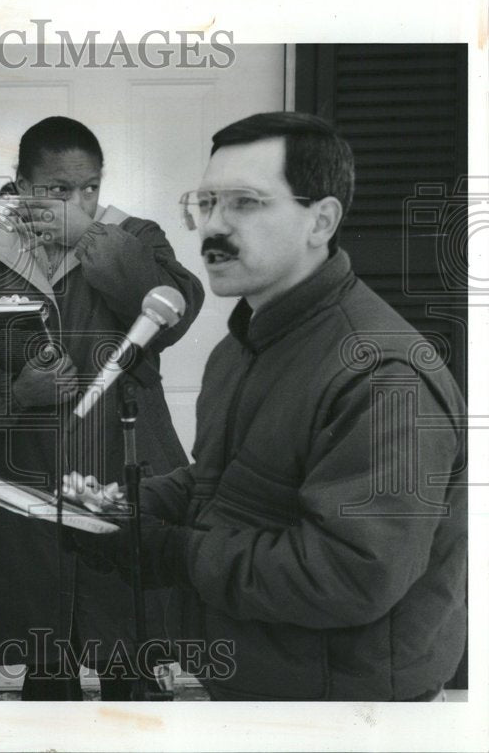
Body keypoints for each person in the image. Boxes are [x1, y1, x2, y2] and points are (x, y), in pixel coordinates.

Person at [64, 112, 467, 701]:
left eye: (244, 204)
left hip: (347, 711)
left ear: (320, 220)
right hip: (253, 684)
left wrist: (171, 552)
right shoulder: (239, 349)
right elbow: (224, 481)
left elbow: (351, 575)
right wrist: (123, 504)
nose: (213, 227)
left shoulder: (381, 374)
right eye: (205, 203)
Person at [0, 116, 204, 700]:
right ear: (21, 185)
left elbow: (175, 310)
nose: (79, 202)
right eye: (58, 190)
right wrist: (19, 392)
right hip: (25, 488)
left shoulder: (137, 239)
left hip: (124, 473)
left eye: (91, 187)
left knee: (132, 663)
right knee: (45, 673)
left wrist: (88, 237)